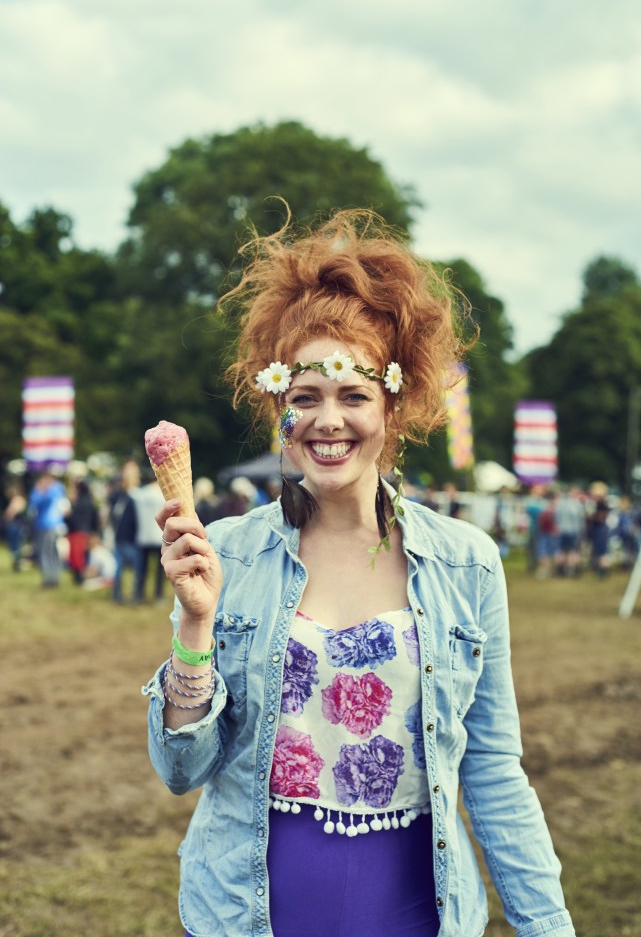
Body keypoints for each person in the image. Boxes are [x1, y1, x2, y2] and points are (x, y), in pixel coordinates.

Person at [143, 209, 575, 937]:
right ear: (279, 406)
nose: (327, 420)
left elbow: (494, 773)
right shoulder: (228, 552)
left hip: (411, 913)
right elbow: (182, 770)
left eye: (352, 396)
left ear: (393, 405)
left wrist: (548, 926)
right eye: (304, 398)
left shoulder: (466, 563)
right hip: (248, 913)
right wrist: (193, 625)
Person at [28, 471, 67, 588]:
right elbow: (34, 502)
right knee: (50, 552)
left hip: (49, 526)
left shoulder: (53, 489)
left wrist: (43, 490)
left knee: (48, 553)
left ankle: (50, 579)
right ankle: (52, 578)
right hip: (46, 525)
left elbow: (40, 502)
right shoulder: (44, 490)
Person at [108, 460, 140, 603]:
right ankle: (118, 594)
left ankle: (135, 594)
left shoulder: (138, 493)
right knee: (120, 567)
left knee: (136, 568)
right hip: (122, 536)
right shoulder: (119, 494)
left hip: (135, 536)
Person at [133, 478, 166, 603]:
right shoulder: (162, 494)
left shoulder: (141, 494)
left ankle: (138, 595)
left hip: (143, 536)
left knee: (141, 569)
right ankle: (158, 595)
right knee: (159, 571)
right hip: (160, 537)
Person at [65, 480, 101, 584]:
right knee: (84, 557)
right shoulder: (90, 502)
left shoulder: (77, 504)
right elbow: (95, 519)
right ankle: (82, 578)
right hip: (87, 532)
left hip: (77, 532)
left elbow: (73, 520)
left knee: (77, 558)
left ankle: (79, 578)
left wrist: (67, 516)